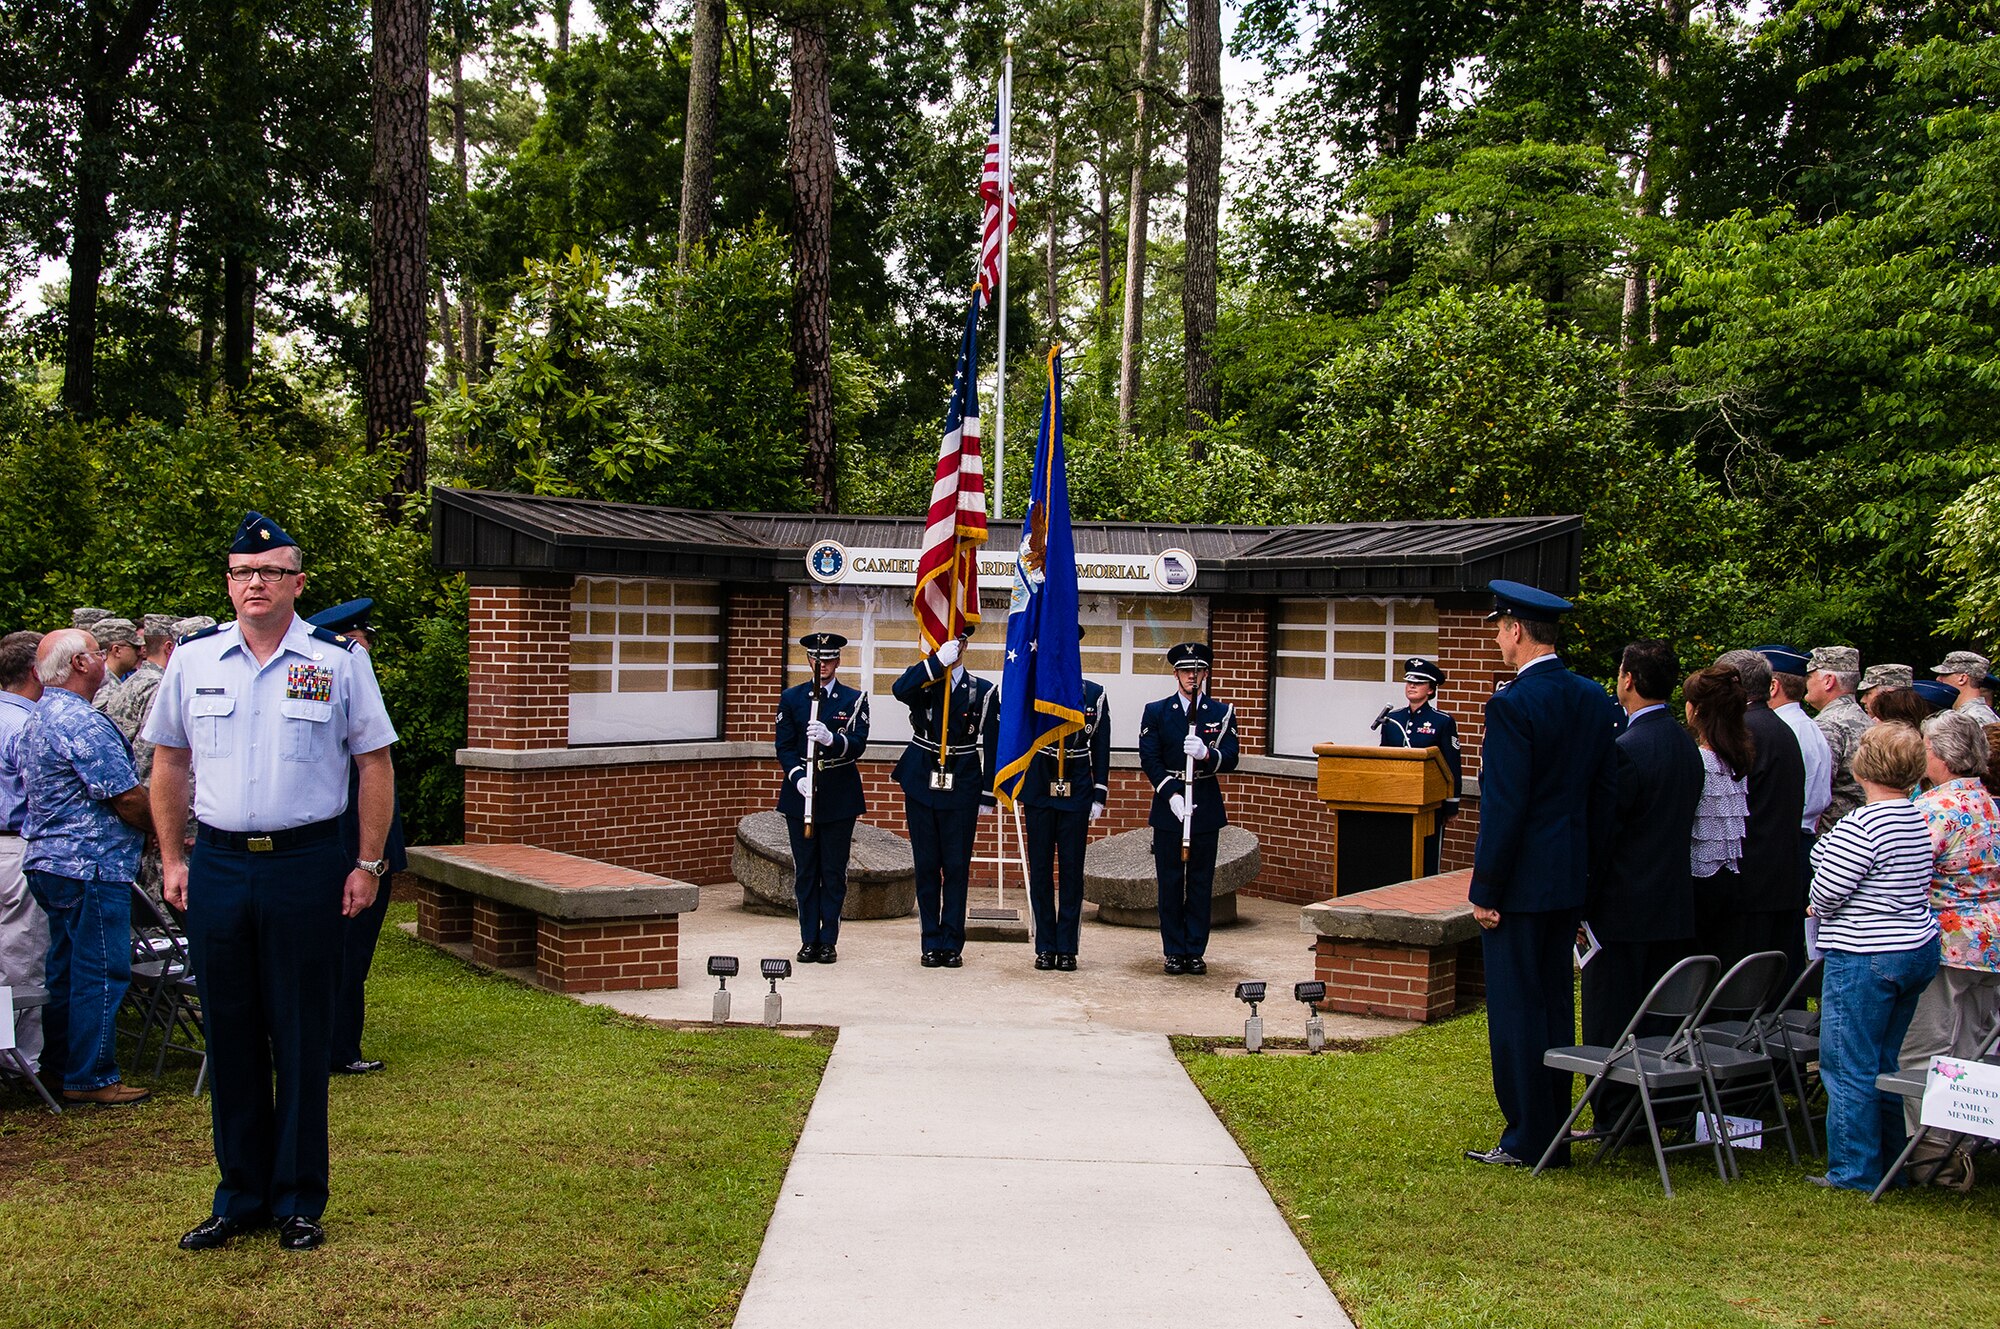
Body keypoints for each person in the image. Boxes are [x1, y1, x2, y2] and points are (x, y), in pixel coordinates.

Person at [143, 512, 397, 1252]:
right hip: (219, 863)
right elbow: (169, 762)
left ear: (297, 583)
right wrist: (173, 856)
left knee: (300, 1029)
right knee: (230, 1032)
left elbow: (374, 763)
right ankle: (240, 1195)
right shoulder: (194, 661)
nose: (256, 583)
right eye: (242, 572)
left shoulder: (337, 660)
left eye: (271, 572)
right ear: (229, 583)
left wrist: (369, 862)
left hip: (306, 864)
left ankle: (296, 1199)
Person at [1462, 581, 1618, 1169]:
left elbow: (1506, 806)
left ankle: (1529, 1136)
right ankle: (1552, 1125)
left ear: (1518, 631)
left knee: (1516, 1010)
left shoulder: (1512, 704)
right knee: (1554, 1003)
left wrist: (1487, 889)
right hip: (1567, 879)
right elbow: (1604, 798)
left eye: (1500, 629)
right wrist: (1587, 875)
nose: (1497, 639)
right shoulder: (1591, 698)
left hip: (1521, 886)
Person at [21, 628, 154, 1106]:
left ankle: (59, 1066)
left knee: (65, 970)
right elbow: (126, 797)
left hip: (50, 862)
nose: (106, 658)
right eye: (99, 652)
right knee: (100, 970)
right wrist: (161, 828)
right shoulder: (82, 723)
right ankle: (92, 1076)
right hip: (89, 864)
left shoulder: (39, 716)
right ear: (80, 664)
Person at [1807, 722, 1940, 1192]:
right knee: (1885, 1059)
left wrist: (1816, 896)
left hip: (1867, 949)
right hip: (1914, 944)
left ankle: (1854, 1171)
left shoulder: (1863, 824)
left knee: (1847, 1063)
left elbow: (1827, 888)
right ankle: (1890, 1163)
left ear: (1863, 767)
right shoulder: (1917, 816)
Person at [1580, 640, 1702, 1127]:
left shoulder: (1627, 750)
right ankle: (1661, 1109)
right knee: (1659, 1018)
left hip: (1624, 907)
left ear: (1627, 679)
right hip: (1671, 902)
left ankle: (1616, 1114)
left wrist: (1584, 903)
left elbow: (1605, 835)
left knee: (1612, 1019)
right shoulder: (1684, 744)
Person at [1894, 710, 2000, 1188]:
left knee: (1927, 1047)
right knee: (1970, 1049)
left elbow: (1907, 869)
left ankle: (1933, 1156)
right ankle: (1961, 1146)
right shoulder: (1990, 804)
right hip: (1990, 941)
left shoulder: (1936, 809)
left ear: (1939, 756)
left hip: (1948, 940)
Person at [304, 598, 410, 1073]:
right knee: (348, 952)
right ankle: (338, 1048)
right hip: (352, 846)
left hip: (340, 844)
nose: (367, 648)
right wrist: (372, 859)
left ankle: (328, 1041)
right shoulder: (339, 688)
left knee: (340, 953)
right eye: (364, 640)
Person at [891, 630, 998, 968]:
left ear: (966, 645)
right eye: (947, 641)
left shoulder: (983, 690)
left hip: (963, 782)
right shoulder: (924, 681)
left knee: (955, 867)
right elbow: (898, 689)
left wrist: (987, 791)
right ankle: (930, 942)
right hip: (922, 780)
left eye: (959, 642)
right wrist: (936, 663)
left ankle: (952, 943)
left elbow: (993, 744)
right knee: (926, 866)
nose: (955, 647)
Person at [1138, 642, 1240, 976]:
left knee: (1200, 881)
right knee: (1169, 881)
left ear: (1205, 674)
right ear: (1176, 674)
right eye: (1185, 671)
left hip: (1206, 803)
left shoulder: (1220, 712)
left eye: (1197, 671)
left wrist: (1206, 754)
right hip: (1170, 804)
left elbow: (1232, 757)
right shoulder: (1156, 711)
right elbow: (1149, 758)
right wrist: (1171, 794)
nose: (1191, 677)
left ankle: (1195, 949)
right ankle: (1173, 950)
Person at [774, 631, 869, 964]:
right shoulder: (793, 698)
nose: (822, 665)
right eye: (817, 659)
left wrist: (832, 739)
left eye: (828, 659)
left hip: (838, 793)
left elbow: (858, 743)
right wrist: (796, 776)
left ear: (838, 661)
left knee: (833, 872)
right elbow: (784, 746)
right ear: (808, 660)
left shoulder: (853, 699)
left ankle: (828, 939)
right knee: (805, 872)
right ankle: (807, 939)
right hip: (800, 794)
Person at [1716, 648, 1807, 988]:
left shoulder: (1741, 732)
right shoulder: (1782, 729)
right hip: (1781, 877)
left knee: (1741, 990)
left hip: (1748, 883)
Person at [1020, 629, 1110, 972]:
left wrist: (1099, 792)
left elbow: (1101, 747)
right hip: (1041, 788)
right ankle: (1045, 945)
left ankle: (1067, 947)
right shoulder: (1034, 690)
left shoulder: (1094, 695)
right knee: (1041, 870)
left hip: (1076, 790)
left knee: (1072, 873)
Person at [0, 630, 49, 1078]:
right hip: (15, 846)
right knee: (22, 955)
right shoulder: (28, 725)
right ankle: (20, 1063)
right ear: (37, 671)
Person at [1685, 666, 1756, 970]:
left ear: (1697, 710)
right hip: (1729, 875)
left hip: (1698, 880)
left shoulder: (1699, 760)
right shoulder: (1736, 758)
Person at [1377, 657, 1462, 875]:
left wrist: (1451, 804)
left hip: (1429, 801)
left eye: (1419, 682)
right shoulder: (1392, 720)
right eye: (1409, 682)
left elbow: (1451, 764)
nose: (1412, 686)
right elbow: (1382, 759)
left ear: (1431, 690)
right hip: (1396, 799)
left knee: (1427, 858)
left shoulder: (1442, 721)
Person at [1807, 646, 1869, 832]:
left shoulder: (1828, 725)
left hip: (1831, 838)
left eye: (1810, 676)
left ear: (1828, 681)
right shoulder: (1866, 721)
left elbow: (1815, 794)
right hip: (1863, 831)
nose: (1806, 682)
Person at [1932, 651, 1999, 725]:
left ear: (1962, 679)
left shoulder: (1974, 718)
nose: (1938, 679)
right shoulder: (1968, 715)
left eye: (1945, 674)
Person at [88, 617, 142, 704]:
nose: (140, 653)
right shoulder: (107, 690)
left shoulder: (94, 679)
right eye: (136, 648)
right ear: (117, 650)